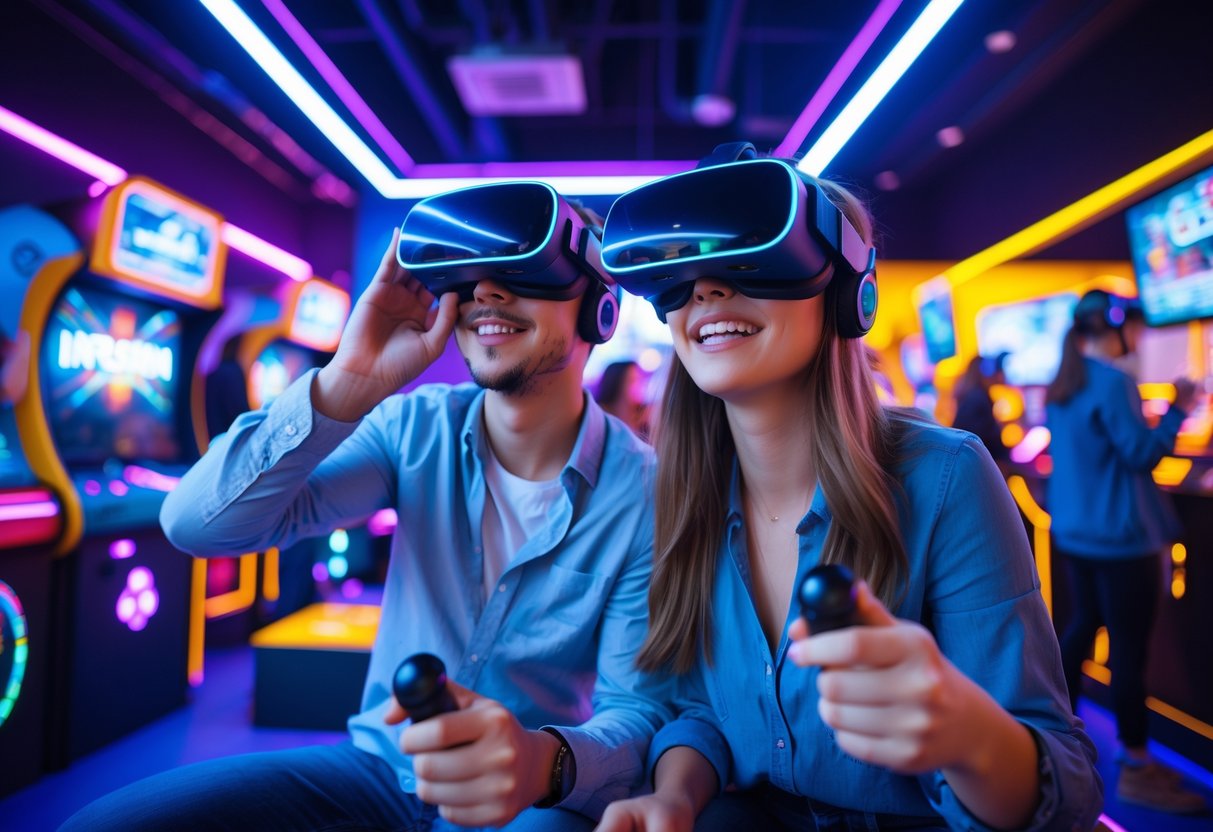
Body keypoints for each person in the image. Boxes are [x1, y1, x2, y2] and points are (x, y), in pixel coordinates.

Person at [61, 191, 671, 831]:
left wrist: (546, 762)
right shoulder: (413, 428)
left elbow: (636, 712)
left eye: (525, 271)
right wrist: (346, 381)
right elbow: (193, 524)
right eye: (469, 275)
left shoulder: (646, 492)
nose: (486, 292)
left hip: (527, 797)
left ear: (600, 308)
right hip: (384, 770)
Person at [593, 145, 1103, 831]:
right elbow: (699, 710)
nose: (706, 289)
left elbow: (1067, 790)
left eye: (751, 260)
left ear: (846, 295)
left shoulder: (944, 477)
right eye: (679, 274)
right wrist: (674, 798)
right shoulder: (683, 495)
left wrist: (965, 734)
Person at [1045, 289, 1205, 815]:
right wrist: (1178, 408)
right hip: (1121, 540)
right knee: (1130, 655)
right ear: (1116, 328)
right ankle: (1136, 766)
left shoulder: (1063, 382)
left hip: (1077, 535)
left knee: (1081, 629)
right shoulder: (1113, 382)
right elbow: (1142, 454)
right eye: (1134, 328)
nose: (1138, 338)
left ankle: (1058, 738)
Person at [950, 352, 1009, 467]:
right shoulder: (979, 398)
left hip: (966, 460)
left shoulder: (969, 395)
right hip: (978, 461)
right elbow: (987, 437)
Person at [595, 360, 650, 439]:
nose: (641, 386)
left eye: (641, 380)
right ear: (616, 383)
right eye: (634, 381)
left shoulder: (643, 419)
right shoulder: (600, 417)